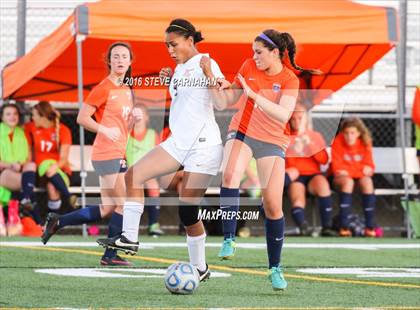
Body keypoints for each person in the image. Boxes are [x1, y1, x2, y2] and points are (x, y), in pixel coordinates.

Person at [97, 19, 225, 282]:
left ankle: (200, 268)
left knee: (187, 211)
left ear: (190, 40)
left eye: (173, 44)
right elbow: (185, 102)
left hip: (204, 146)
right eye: (167, 45)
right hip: (178, 143)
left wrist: (210, 76)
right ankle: (129, 239)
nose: (169, 49)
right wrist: (171, 80)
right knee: (134, 175)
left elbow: (222, 103)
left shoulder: (207, 63)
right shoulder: (178, 69)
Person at [201, 29, 319, 290]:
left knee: (273, 206)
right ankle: (229, 239)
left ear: (275, 52)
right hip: (241, 131)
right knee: (230, 174)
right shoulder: (247, 66)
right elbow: (226, 101)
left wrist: (254, 96)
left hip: (273, 141)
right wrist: (212, 78)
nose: (253, 57)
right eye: (253, 52)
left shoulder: (289, 79)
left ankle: (275, 268)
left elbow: (283, 114)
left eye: (258, 52)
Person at [42, 42, 142, 266]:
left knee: (108, 207)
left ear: (130, 61)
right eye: (115, 56)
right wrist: (104, 129)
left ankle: (58, 221)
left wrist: (133, 121)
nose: (119, 60)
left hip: (117, 152)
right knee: (123, 203)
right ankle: (110, 255)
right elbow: (82, 118)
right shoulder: (103, 87)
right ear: (109, 61)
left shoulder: (126, 89)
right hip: (106, 152)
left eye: (124, 56)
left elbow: (122, 127)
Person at [285, 103, 335, 236]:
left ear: (306, 119)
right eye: (293, 118)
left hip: (313, 175)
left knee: (323, 185)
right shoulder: (286, 136)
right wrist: (294, 149)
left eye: (300, 118)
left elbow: (324, 160)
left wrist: (310, 145)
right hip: (296, 176)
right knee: (297, 198)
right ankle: (303, 227)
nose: (296, 121)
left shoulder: (314, 136)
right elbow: (287, 165)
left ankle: (327, 227)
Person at [24, 101, 76, 212]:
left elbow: (63, 159)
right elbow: (28, 155)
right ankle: (68, 196)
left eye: (34, 115)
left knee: (52, 187)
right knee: (46, 164)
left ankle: (52, 223)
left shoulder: (63, 130)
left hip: (59, 171)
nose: (32, 118)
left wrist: (54, 167)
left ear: (43, 116)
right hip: (40, 172)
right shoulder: (30, 128)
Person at [330, 118, 376, 237]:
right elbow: (337, 169)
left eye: (352, 133)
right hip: (340, 180)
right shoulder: (337, 141)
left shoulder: (365, 142)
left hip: (355, 177)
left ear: (359, 133)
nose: (349, 136)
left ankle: (370, 227)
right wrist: (360, 169)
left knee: (367, 182)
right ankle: (344, 227)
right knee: (348, 182)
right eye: (346, 133)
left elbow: (370, 167)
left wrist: (350, 170)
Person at [126, 104, 164, 236]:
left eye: (141, 114)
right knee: (132, 185)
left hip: (148, 173)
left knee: (152, 184)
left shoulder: (152, 135)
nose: (138, 117)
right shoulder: (126, 135)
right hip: (130, 173)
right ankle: (129, 227)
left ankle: (153, 224)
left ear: (147, 118)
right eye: (135, 114)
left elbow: (159, 157)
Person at [0, 104, 37, 236]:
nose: (12, 117)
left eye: (15, 114)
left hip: (18, 174)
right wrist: (10, 165)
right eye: (8, 114)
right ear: (2, 117)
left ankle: (17, 212)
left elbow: (28, 159)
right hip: (3, 173)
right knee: (26, 182)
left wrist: (20, 165)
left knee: (31, 165)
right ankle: (25, 201)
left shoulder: (22, 134)